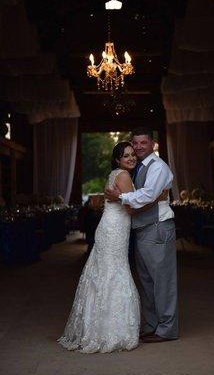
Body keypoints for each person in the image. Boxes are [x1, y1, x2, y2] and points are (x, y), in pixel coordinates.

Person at [58, 142, 140, 353]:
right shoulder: (123, 176)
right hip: (115, 229)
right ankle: (111, 332)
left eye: (132, 155)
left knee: (103, 273)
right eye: (126, 156)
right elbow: (132, 209)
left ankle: (95, 330)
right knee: (114, 272)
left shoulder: (115, 174)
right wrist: (154, 200)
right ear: (117, 160)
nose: (131, 158)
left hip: (109, 227)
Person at [105, 127, 178, 343]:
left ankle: (167, 330)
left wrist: (121, 197)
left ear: (152, 143)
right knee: (146, 281)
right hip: (142, 229)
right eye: (134, 143)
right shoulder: (138, 167)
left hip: (157, 227)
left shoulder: (158, 166)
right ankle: (151, 324)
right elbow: (146, 195)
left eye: (142, 143)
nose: (137, 147)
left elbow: (147, 195)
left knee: (163, 281)